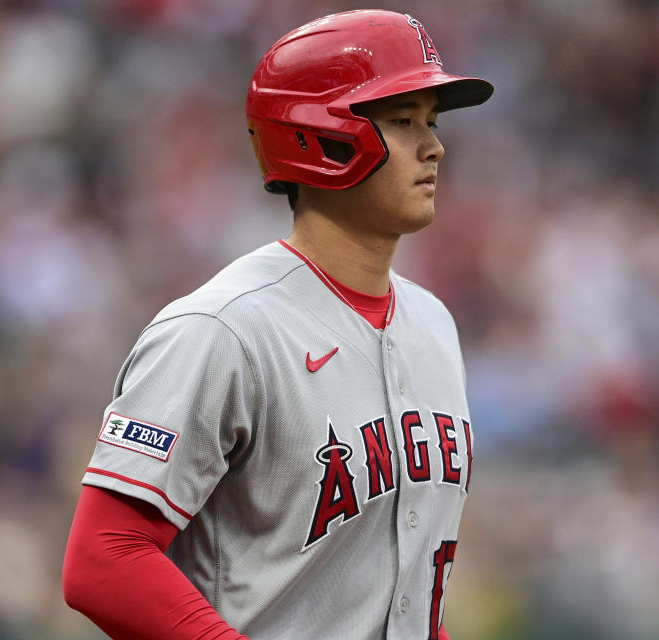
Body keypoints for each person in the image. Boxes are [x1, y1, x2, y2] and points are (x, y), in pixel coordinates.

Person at [62, 9, 493, 639]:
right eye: (403, 121)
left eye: (431, 121)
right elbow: (105, 558)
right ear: (322, 135)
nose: (434, 146)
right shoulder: (222, 329)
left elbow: (402, 598)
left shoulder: (434, 325)